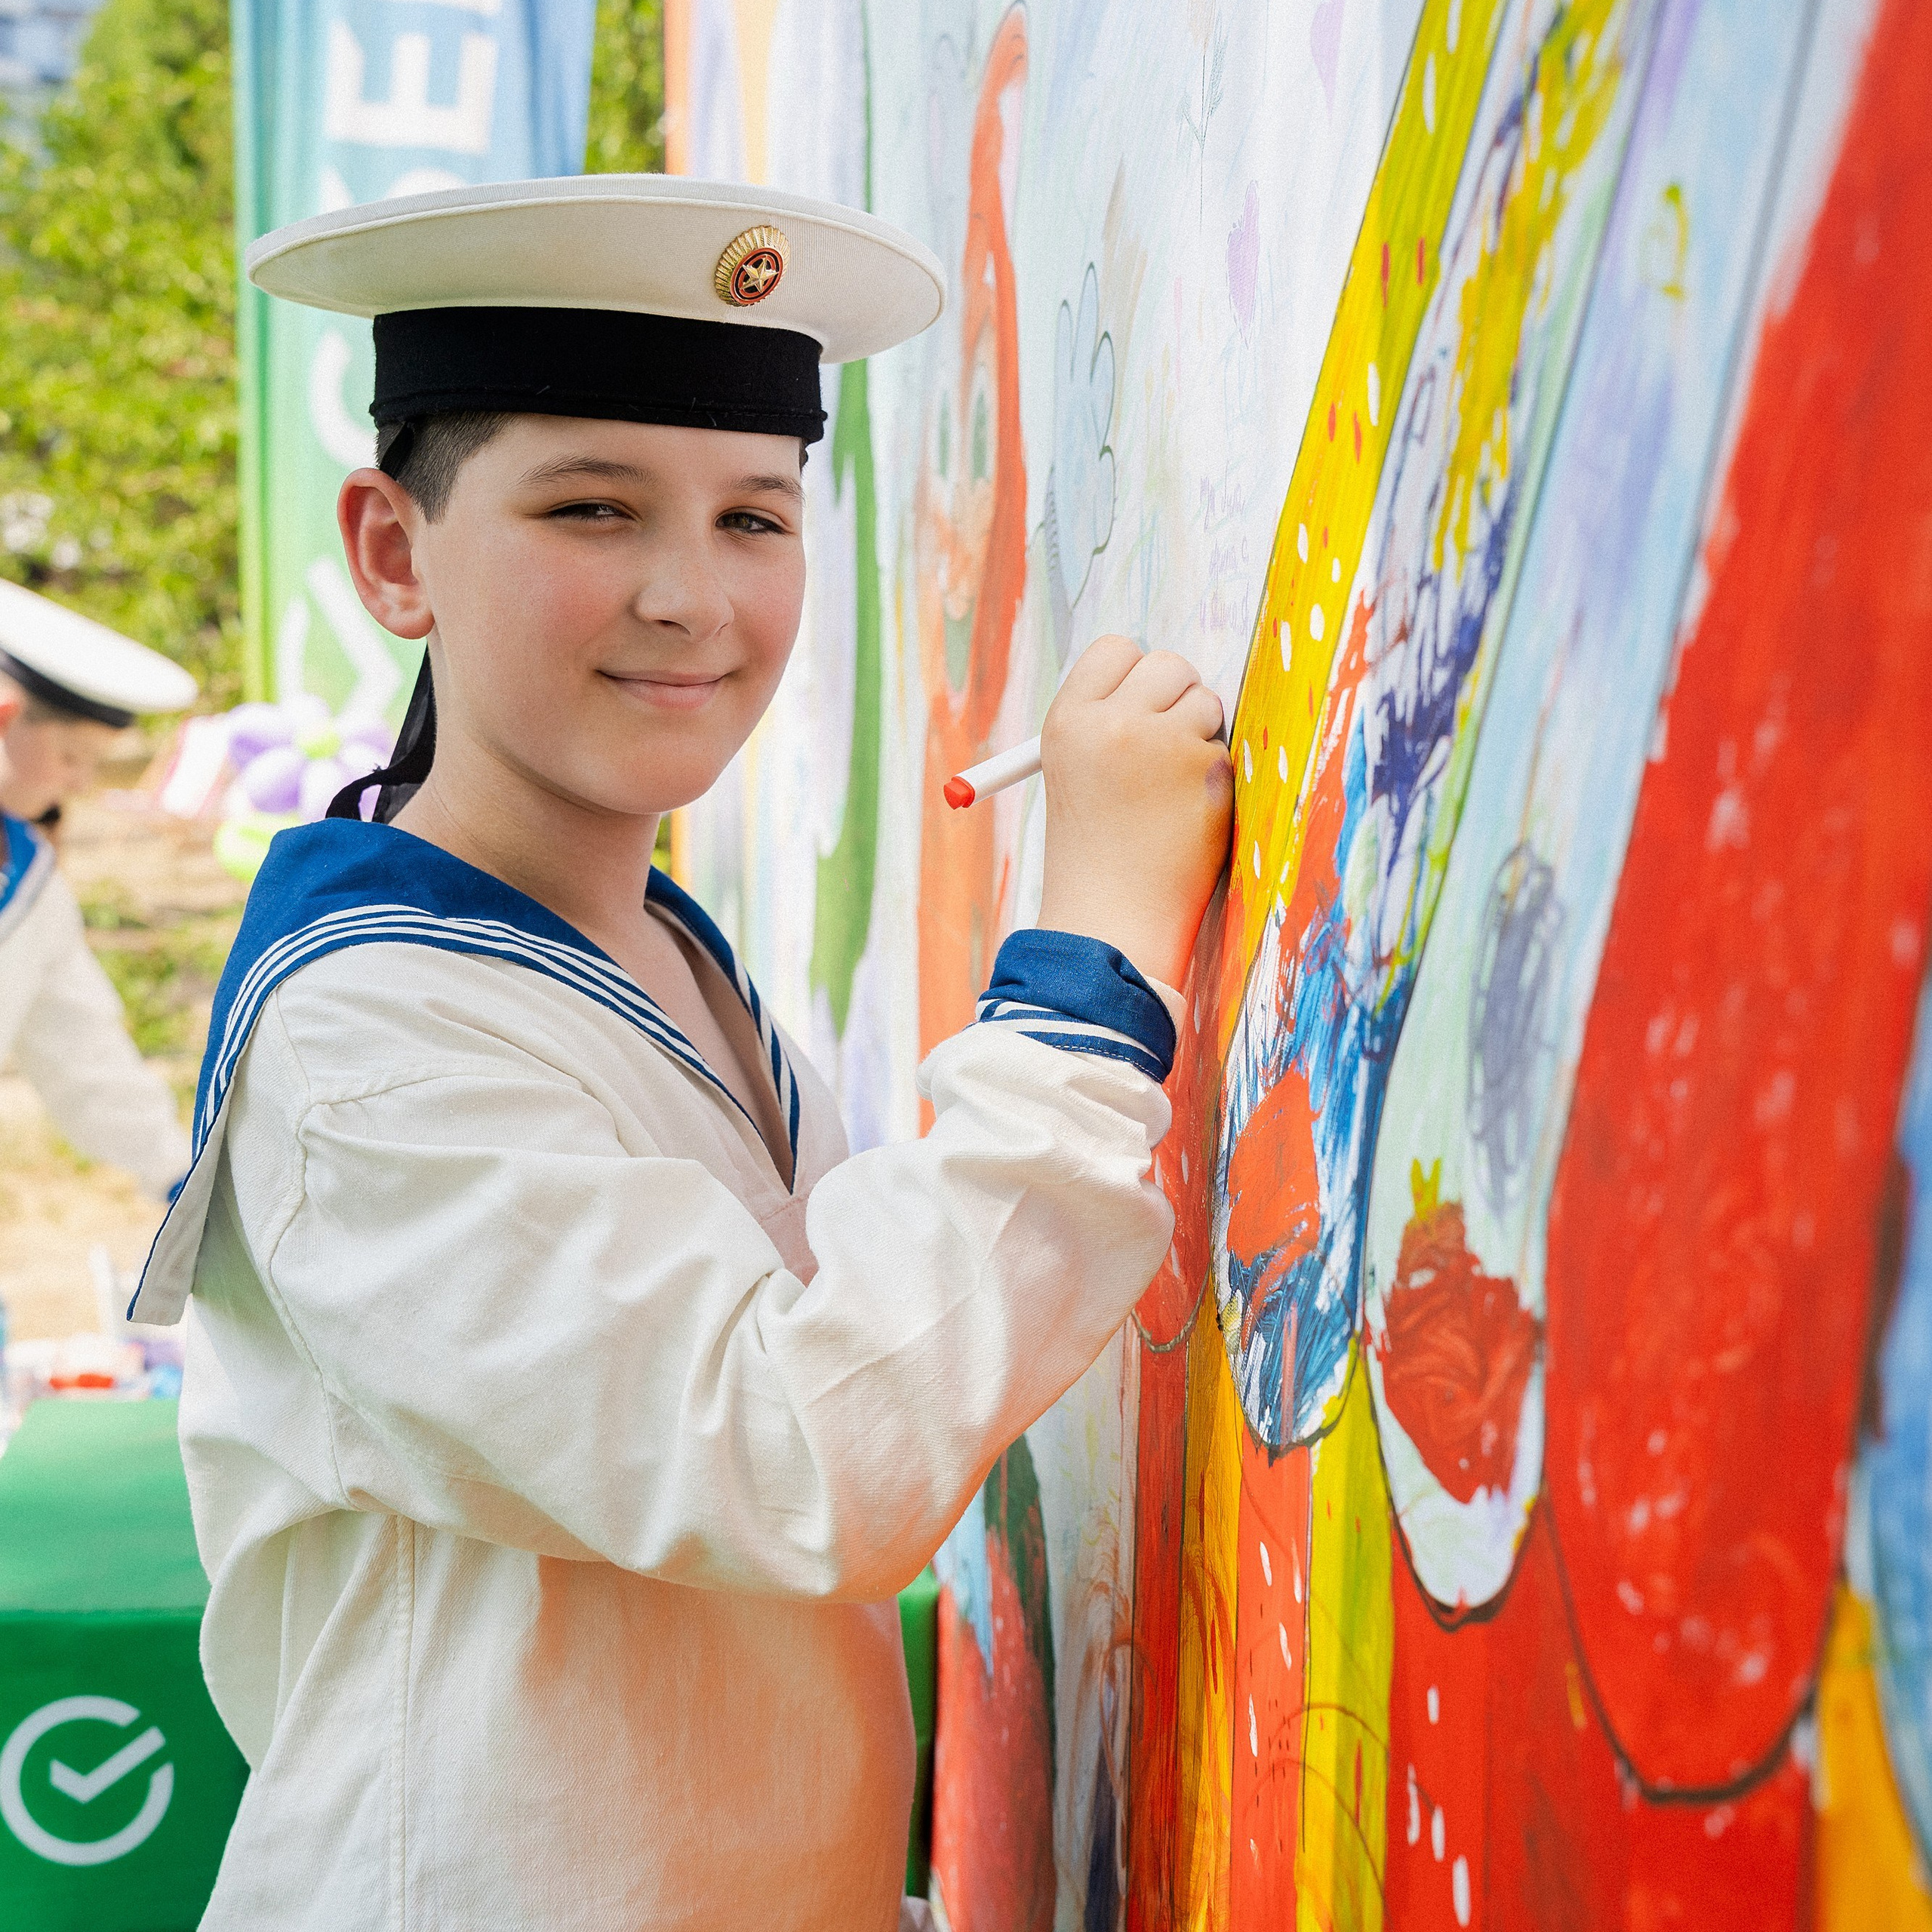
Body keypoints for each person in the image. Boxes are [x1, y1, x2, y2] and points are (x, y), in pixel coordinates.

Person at [128, 175, 1232, 1931]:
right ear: (391, 550)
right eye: (591, 505)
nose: (689, 596)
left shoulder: (643, 945)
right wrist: (1090, 961)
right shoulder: (370, 1035)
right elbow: (788, 1447)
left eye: (753, 517)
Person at [0, 580, 195, 1204]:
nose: (81, 783)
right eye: (71, 755)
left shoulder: (30, 879)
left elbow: (82, 1050)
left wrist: (177, 1175)